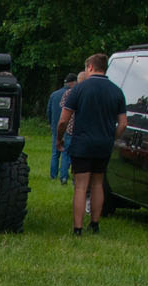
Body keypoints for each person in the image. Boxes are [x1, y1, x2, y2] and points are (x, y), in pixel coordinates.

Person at [58, 54, 126, 235]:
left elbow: (63, 120)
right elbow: (123, 123)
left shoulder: (79, 89)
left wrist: (59, 138)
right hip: (104, 144)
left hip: (82, 143)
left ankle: (78, 227)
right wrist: (112, 137)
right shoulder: (116, 91)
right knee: (98, 183)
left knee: (81, 186)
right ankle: (95, 224)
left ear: (89, 67)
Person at [46, 72, 76, 183]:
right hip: (69, 127)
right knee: (66, 152)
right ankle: (64, 175)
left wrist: (52, 124)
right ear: (73, 82)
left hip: (56, 127)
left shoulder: (54, 94)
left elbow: (48, 111)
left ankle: (53, 175)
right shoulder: (73, 94)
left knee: (55, 153)